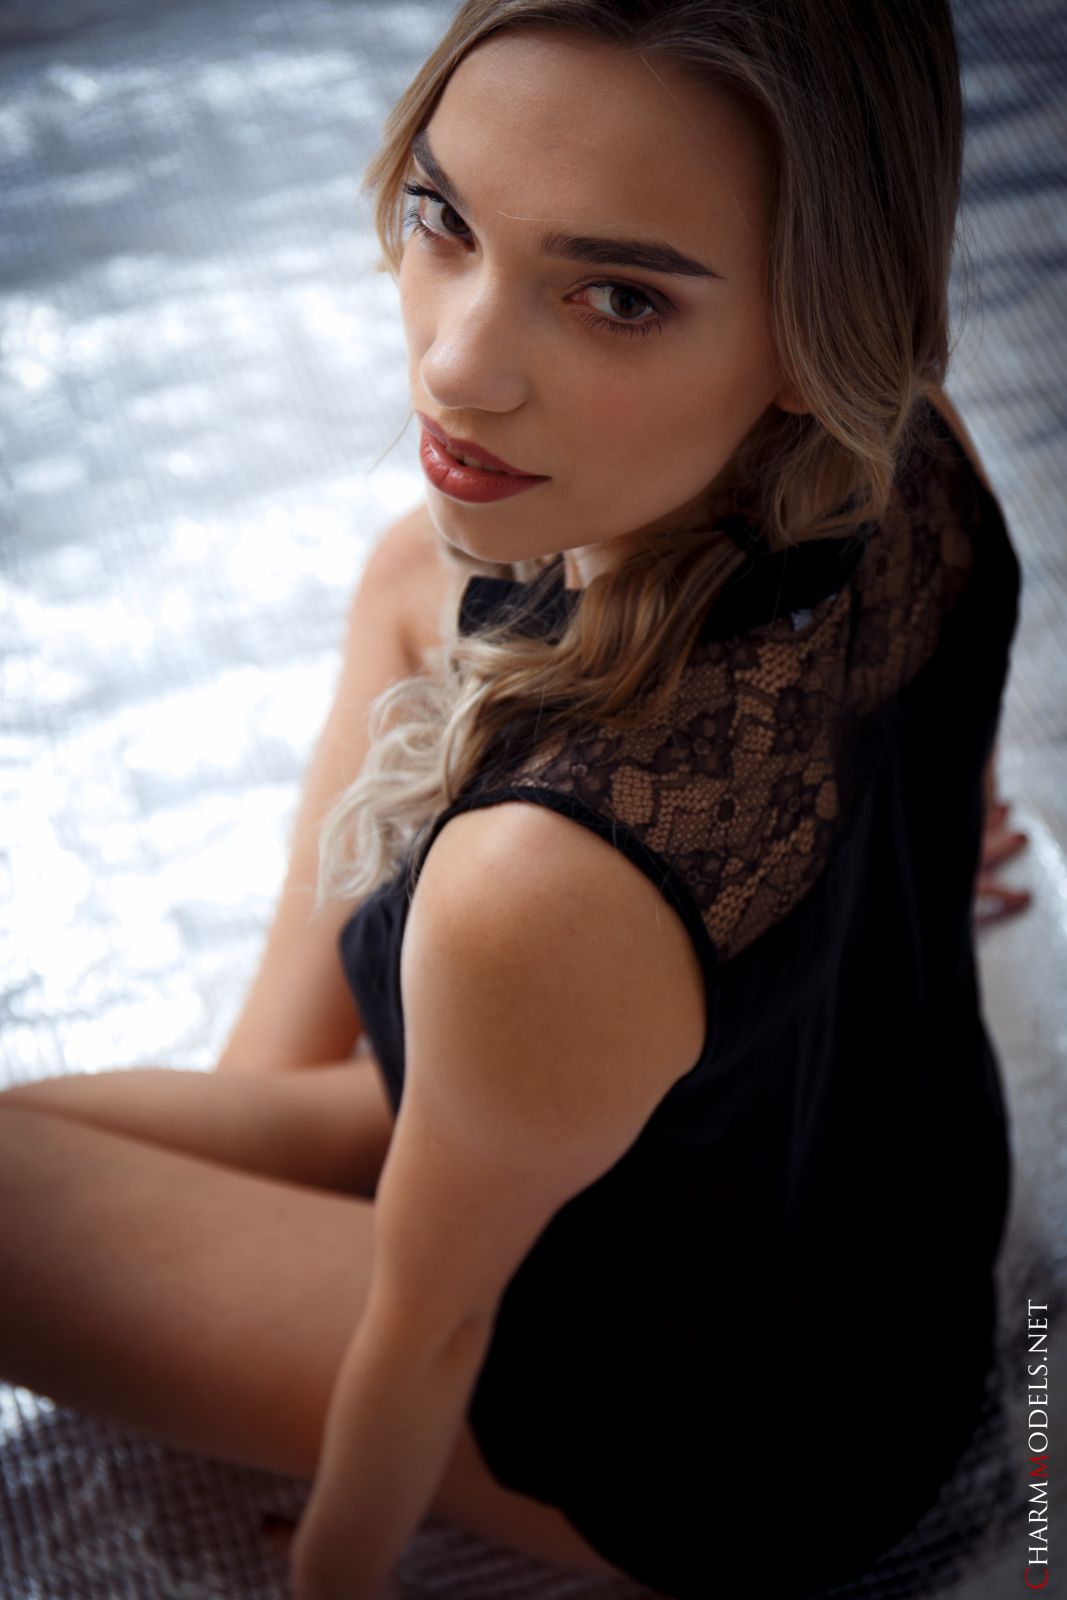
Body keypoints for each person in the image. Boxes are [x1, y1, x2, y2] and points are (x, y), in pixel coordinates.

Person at [0, 2, 1034, 1598]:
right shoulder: (917, 441)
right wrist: (924, 831)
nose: (454, 365)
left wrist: (334, 1566)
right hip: (873, 1241)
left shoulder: (536, 891)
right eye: (445, 217)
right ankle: (335, 1113)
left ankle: (350, 1133)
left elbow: (428, 1337)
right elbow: (905, 711)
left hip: (740, 1449)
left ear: (819, 324)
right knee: (408, 576)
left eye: (620, 296)